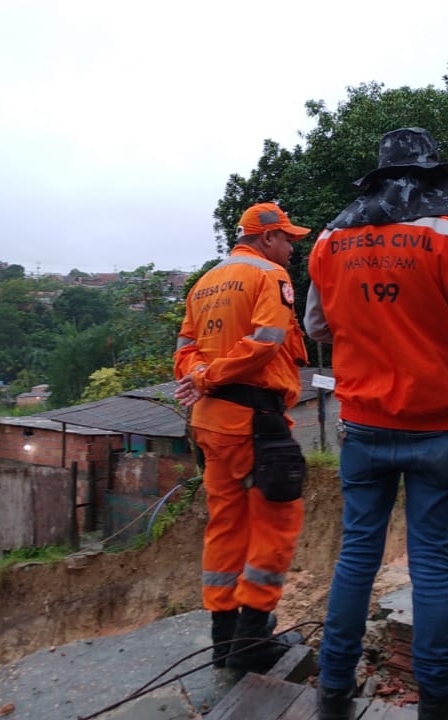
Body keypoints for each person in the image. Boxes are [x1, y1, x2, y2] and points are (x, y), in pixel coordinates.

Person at [305, 128, 448, 720]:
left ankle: (333, 693)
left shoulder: (330, 243)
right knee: (431, 565)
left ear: (378, 180)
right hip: (436, 429)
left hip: (363, 426)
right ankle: (437, 701)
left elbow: (315, 328)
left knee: (356, 559)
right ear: (431, 175)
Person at [173, 201, 312, 673]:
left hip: (209, 424)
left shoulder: (203, 284)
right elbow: (268, 341)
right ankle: (253, 643)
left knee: (226, 524)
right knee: (277, 521)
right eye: (288, 238)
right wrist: (211, 376)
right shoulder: (269, 277)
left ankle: (224, 643)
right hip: (252, 422)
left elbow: (184, 351)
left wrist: (199, 377)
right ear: (266, 238)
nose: (293, 247)